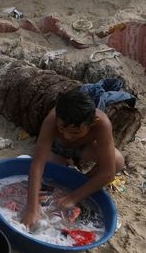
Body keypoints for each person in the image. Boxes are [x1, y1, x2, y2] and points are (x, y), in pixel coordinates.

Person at [22, 89, 125, 229]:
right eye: (61, 129)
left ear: (92, 123)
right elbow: (37, 164)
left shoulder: (102, 124)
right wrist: (32, 208)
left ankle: (79, 183)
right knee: (50, 177)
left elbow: (108, 173)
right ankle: (70, 173)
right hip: (57, 149)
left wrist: (74, 197)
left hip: (83, 149)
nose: (67, 136)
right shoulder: (52, 120)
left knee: (118, 161)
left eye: (75, 132)